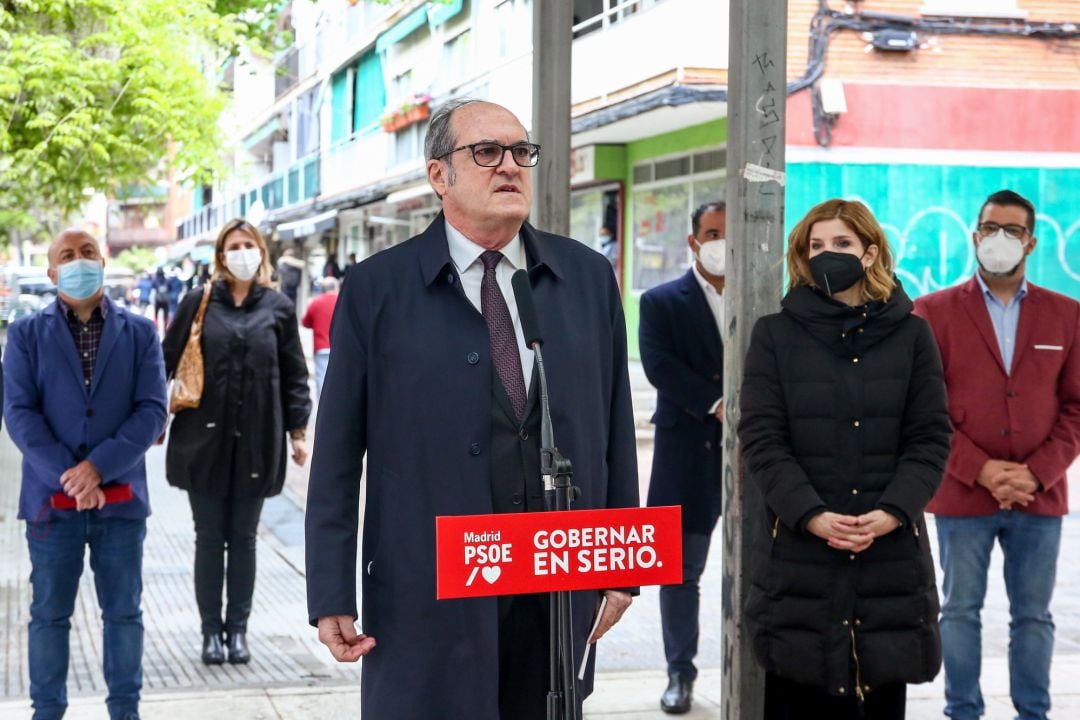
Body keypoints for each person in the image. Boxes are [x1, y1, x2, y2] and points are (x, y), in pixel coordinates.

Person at [305, 99, 639, 720]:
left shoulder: (586, 278)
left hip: (555, 583)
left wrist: (619, 568)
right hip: (425, 588)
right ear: (439, 175)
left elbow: (615, 429)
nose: (509, 166)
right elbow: (336, 456)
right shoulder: (378, 289)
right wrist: (330, 591)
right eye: (486, 152)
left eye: (521, 152)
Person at [737, 199, 951, 720]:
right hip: (800, 556)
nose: (826, 255)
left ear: (870, 251)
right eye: (816, 246)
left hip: (888, 557)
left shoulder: (912, 334)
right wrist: (810, 514)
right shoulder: (775, 335)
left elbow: (930, 437)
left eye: (841, 244)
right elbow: (763, 438)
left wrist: (893, 511)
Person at [913, 189, 1080, 720]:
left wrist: (1037, 473)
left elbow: (1076, 406)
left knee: (1033, 616)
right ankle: (963, 710)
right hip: (963, 494)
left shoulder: (1067, 315)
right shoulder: (932, 313)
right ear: (975, 235)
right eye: (991, 228)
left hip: (1040, 496)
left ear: (1031, 240)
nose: (1000, 240)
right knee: (959, 611)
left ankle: (1033, 712)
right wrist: (980, 469)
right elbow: (924, 410)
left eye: (1013, 230)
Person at [3, 229, 168, 720]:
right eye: (68, 256)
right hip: (51, 505)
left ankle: (125, 710)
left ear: (104, 261)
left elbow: (152, 411)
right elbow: (19, 414)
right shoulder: (25, 335)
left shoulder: (140, 334)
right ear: (52, 272)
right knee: (49, 616)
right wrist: (71, 476)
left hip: (122, 503)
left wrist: (98, 468)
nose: (79, 261)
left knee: (124, 614)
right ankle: (47, 711)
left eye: (88, 252)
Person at [162, 218, 311, 666]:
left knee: (243, 539)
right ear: (221, 256)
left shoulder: (279, 308)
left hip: (257, 441)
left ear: (261, 252)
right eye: (233, 246)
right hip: (202, 441)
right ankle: (211, 633)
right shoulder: (198, 302)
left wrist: (298, 433)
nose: (241, 252)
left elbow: (294, 377)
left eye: (249, 245)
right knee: (209, 538)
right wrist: (152, 417)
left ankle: (238, 631)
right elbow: (165, 361)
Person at [639, 200, 726, 714]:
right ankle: (679, 674)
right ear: (694, 242)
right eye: (713, 232)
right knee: (679, 574)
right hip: (685, 457)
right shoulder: (661, 302)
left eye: (730, 232)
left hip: (748, 460)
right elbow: (659, 365)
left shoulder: (767, 297)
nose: (722, 242)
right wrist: (717, 404)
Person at [300, 276, 339, 398]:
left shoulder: (316, 302)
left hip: (321, 346)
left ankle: (323, 408)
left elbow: (305, 322)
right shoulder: (342, 301)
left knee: (322, 378)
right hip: (340, 347)